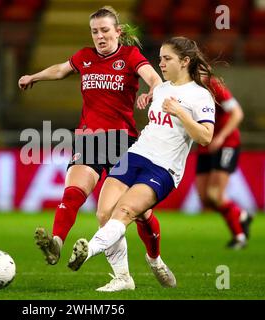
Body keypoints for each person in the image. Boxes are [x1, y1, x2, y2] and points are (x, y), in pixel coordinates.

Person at [18, 6, 162, 291]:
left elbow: (154, 78)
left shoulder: (130, 56)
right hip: (90, 139)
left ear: (118, 31)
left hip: (124, 141)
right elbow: (61, 69)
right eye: (95, 31)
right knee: (74, 192)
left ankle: (155, 259)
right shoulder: (85, 57)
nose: (100, 36)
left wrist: (151, 92)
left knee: (137, 213)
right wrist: (33, 76)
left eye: (105, 30)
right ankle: (57, 242)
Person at [67, 37, 216, 290]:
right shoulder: (160, 90)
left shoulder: (200, 96)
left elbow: (205, 137)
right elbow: (157, 119)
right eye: (159, 58)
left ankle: (91, 250)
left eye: (167, 58)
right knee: (104, 213)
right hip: (136, 156)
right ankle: (123, 279)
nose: (161, 64)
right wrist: (148, 98)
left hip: (164, 168)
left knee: (124, 211)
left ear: (185, 61)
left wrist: (180, 112)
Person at [195, 76, 253, 249]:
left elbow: (237, 113)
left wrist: (220, 137)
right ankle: (242, 215)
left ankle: (239, 237)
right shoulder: (185, 88)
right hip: (205, 145)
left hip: (226, 144)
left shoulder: (213, 84)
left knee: (215, 194)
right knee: (205, 199)